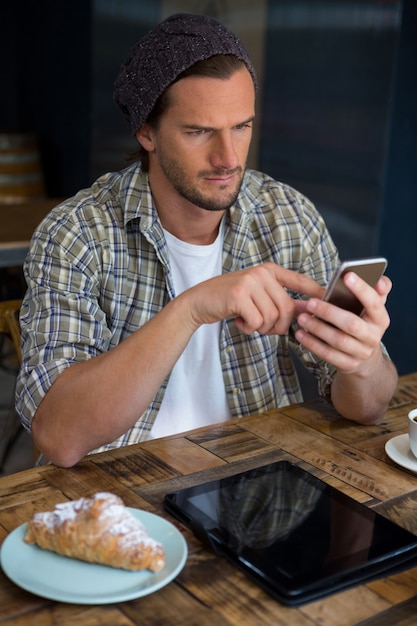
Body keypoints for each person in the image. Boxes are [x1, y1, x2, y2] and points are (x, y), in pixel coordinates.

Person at [15, 13, 397, 468]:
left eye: (241, 126)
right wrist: (193, 308)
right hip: (118, 505)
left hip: (255, 500)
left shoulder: (286, 217)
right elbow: (60, 436)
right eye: (199, 132)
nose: (229, 158)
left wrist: (362, 360)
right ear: (146, 132)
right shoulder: (77, 233)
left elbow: (368, 406)